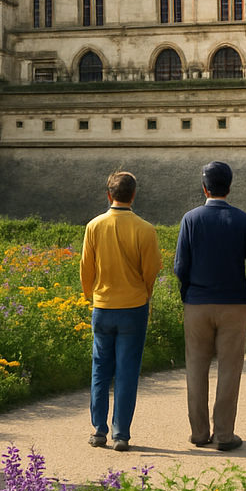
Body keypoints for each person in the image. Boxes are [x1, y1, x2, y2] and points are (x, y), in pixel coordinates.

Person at [174, 161, 246, 452]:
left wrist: (188, 293)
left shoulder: (190, 219)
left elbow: (180, 266)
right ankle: (224, 434)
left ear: (204, 188)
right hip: (234, 303)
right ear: (230, 187)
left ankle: (199, 433)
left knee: (195, 368)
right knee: (229, 369)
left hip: (197, 303)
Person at [79, 171, 162, 452]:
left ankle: (98, 430)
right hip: (133, 306)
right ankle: (121, 434)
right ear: (134, 195)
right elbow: (150, 270)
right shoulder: (145, 229)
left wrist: (92, 295)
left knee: (100, 370)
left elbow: (86, 268)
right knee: (127, 371)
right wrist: (144, 294)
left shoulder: (94, 226)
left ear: (109, 194)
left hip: (103, 306)